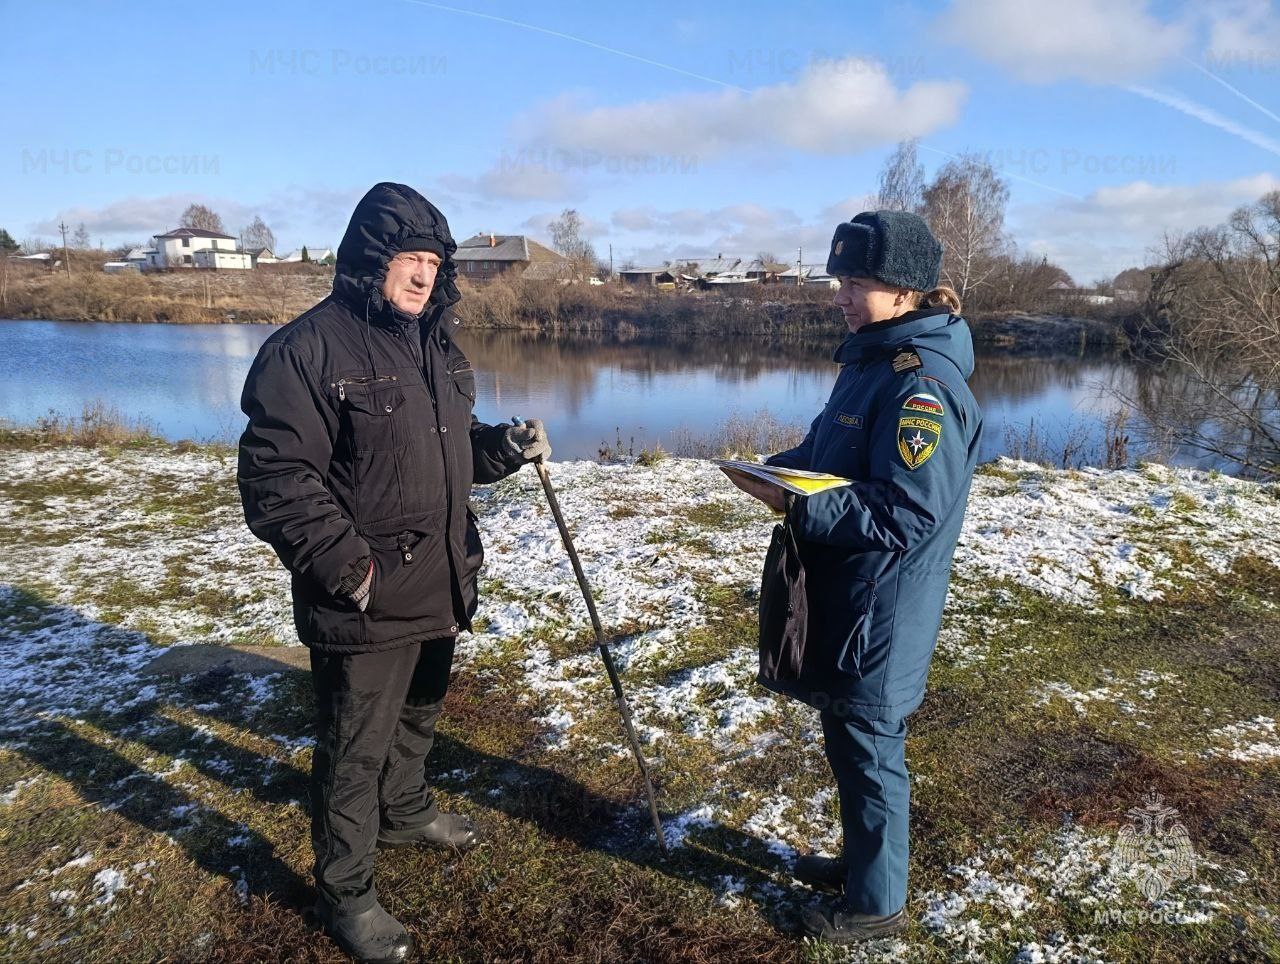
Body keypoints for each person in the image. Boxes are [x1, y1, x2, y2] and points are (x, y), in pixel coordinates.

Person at [237, 182, 550, 963]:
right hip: (365, 594)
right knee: (353, 748)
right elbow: (277, 480)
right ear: (369, 261)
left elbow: (449, 454)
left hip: (440, 577)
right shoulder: (307, 349)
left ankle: (406, 812)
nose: (421, 276)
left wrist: (500, 450)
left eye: (433, 263)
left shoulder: (436, 345)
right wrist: (351, 570)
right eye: (407, 259)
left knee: (420, 711)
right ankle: (346, 892)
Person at [723, 211, 982, 944]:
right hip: (850, 596)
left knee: (870, 749)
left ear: (905, 291)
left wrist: (799, 510)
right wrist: (773, 470)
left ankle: (876, 905)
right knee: (847, 738)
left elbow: (906, 513)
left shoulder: (920, 387)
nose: (840, 294)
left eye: (857, 281)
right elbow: (826, 451)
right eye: (840, 278)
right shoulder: (868, 362)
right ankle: (861, 862)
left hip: (885, 608)